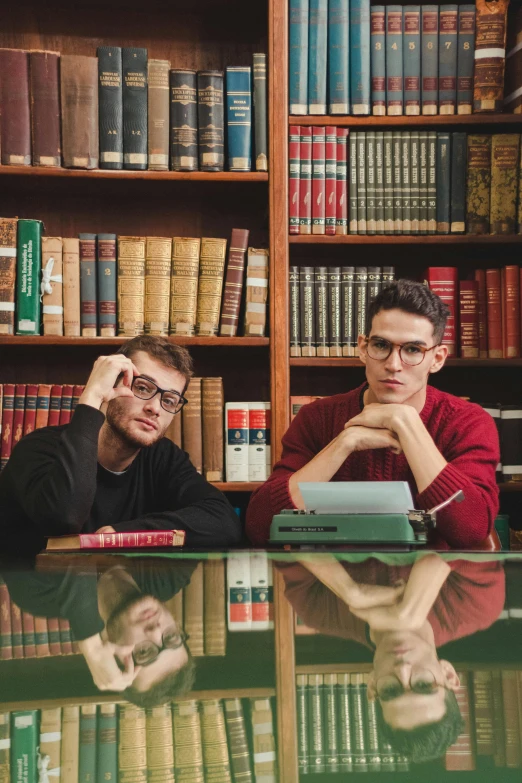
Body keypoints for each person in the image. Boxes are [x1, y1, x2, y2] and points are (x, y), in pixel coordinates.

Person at [246, 280, 500, 548]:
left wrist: (407, 425)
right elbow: (259, 526)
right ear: (363, 348)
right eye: (381, 345)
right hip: (331, 583)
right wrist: (345, 443)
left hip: (431, 585)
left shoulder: (467, 421)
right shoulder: (316, 417)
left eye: (413, 350)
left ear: (437, 359)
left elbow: (471, 531)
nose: (393, 365)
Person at [0, 335, 242, 556]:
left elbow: (225, 521)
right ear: (112, 386)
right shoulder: (37, 449)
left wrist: (126, 534)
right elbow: (64, 519)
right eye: (143, 388)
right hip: (34, 599)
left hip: (124, 596)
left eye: (169, 400)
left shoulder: (163, 458)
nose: (155, 408)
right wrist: (93, 396)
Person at [277, 552, 505, 763]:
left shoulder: (319, 612)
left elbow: (266, 520)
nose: (403, 669)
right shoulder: (477, 605)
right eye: (424, 684)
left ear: (373, 685)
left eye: (390, 691)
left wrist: (350, 591)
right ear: (449, 675)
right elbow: (469, 523)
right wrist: (407, 610)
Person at [1, 555, 198, 707]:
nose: (156, 631)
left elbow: (64, 541)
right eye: (171, 637)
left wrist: (90, 643)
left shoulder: (37, 596)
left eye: (144, 652)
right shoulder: (173, 572)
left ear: (111, 659)